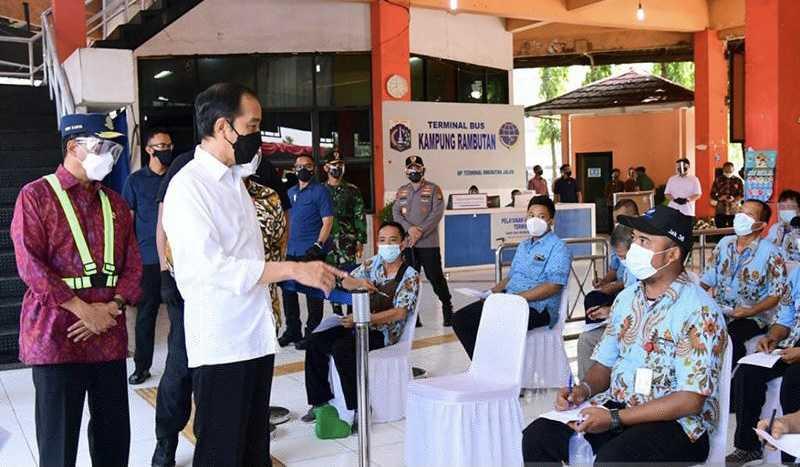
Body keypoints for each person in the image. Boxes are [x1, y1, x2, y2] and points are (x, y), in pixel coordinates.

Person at [162, 82, 345, 467]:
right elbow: (209, 267)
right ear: (223, 127)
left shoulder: (236, 183)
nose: (257, 136)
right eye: (253, 125)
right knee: (221, 452)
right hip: (221, 343)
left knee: (252, 450)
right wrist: (293, 268)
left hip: (254, 337)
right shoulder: (189, 186)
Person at [522, 205, 727, 464]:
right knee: (537, 436)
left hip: (678, 426)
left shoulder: (700, 310)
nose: (634, 248)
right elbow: (603, 365)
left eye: (644, 241)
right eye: (634, 239)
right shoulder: (626, 300)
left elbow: (690, 400)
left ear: (672, 254)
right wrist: (582, 391)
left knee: (613, 460)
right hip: (619, 408)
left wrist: (615, 419)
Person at [11, 113, 143, 467]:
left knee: (114, 439)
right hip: (57, 338)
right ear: (73, 146)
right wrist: (84, 310)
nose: (109, 155)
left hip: (108, 337)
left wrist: (112, 307)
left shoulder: (115, 203)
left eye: (112, 148)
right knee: (58, 444)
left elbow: (133, 265)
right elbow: (30, 265)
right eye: (101, 146)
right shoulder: (35, 196)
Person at [300, 222, 419, 425]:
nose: (386, 245)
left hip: (382, 333)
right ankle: (320, 403)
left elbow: (399, 313)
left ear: (402, 244)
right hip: (358, 324)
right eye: (382, 241)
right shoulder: (373, 264)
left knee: (342, 349)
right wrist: (358, 283)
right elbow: (346, 281)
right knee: (315, 341)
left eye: (392, 241)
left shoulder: (410, 276)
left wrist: (364, 319)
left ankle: (358, 409)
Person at [452, 196, 571, 358]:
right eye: (531, 215)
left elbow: (553, 285)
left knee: (495, 322)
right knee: (461, 319)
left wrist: (517, 298)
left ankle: (498, 368)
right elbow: (511, 277)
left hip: (538, 309)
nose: (535, 220)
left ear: (551, 221)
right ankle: (484, 366)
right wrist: (489, 293)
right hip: (511, 301)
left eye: (541, 216)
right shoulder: (523, 246)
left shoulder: (558, 247)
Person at [701, 199, 788, 369]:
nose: (740, 216)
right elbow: (707, 278)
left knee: (730, 340)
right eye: (741, 211)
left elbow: (776, 295)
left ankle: (728, 385)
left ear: (760, 225)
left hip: (753, 317)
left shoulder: (771, 253)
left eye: (748, 214)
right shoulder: (724, 243)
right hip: (720, 310)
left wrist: (750, 311)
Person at [727, 266, 800, 464]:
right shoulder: (797, 275)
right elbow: (784, 320)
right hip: (791, 345)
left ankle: (791, 458)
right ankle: (747, 446)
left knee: (794, 378)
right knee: (747, 372)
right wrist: (772, 337)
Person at [151, 148, 194, 467]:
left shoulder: (238, 167)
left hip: (225, 293)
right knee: (179, 368)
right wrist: (164, 272)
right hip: (182, 286)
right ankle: (166, 440)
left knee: (218, 373)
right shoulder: (184, 163)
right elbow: (162, 223)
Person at [122, 128, 174, 386]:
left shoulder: (178, 178)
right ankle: (142, 366)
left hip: (177, 258)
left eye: (169, 145)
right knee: (146, 315)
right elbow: (127, 222)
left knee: (181, 312)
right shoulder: (135, 181)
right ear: (149, 149)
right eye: (161, 145)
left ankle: (182, 362)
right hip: (148, 259)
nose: (166, 150)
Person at [280, 154, 335, 350]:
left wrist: (318, 245)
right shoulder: (290, 192)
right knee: (288, 291)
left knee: (313, 295)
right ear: (294, 169)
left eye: (308, 166)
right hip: (292, 251)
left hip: (312, 251)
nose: (303, 169)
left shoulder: (320, 191)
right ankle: (292, 329)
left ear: (313, 169)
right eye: (299, 166)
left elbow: (328, 220)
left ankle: (312, 333)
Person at [393, 156, 453, 326]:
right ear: (406, 171)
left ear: (423, 170)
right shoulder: (402, 191)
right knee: (410, 279)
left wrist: (419, 231)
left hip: (429, 243)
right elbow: (396, 213)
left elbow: (437, 213)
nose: (414, 171)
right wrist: (409, 229)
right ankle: (413, 316)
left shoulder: (434, 189)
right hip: (408, 244)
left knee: (435, 277)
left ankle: (447, 307)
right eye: (410, 169)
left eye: (417, 168)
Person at [577, 224, 636, 380]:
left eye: (624, 256)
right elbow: (630, 301)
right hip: (623, 320)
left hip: (636, 331)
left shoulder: (645, 270)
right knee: (586, 338)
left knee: (590, 341)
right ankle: (587, 387)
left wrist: (612, 310)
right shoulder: (631, 269)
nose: (622, 260)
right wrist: (608, 311)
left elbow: (640, 306)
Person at [324, 151, 366, 273]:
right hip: (326, 241)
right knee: (326, 279)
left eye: (340, 165)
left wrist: (360, 240)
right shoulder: (320, 190)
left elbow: (359, 216)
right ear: (326, 168)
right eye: (334, 165)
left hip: (347, 242)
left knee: (347, 276)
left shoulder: (352, 190)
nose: (338, 168)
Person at [593, 199, 639, 291]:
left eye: (621, 220)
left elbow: (640, 280)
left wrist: (617, 286)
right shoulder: (617, 237)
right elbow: (614, 268)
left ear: (635, 217)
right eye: (615, 221)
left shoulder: (643, 241)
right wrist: (604, 281)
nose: (618, 225)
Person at [709, 161, 744, 229]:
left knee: (733, 230)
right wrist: (720, 198)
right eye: (726, 169)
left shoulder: (738, 180)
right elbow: (712, 194)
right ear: (723, 169)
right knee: (720, 229)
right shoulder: (718, 179)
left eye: (730, 169)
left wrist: (734, 199)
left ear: (733, 169)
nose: (728, 171)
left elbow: (742, 194)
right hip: (721, 209)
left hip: (733, 209)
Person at [767, 189, 800, 258]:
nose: (786, 210)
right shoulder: (775, 228)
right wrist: (777, 242)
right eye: (782, 207)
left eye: (790, 207)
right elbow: (766, 251)